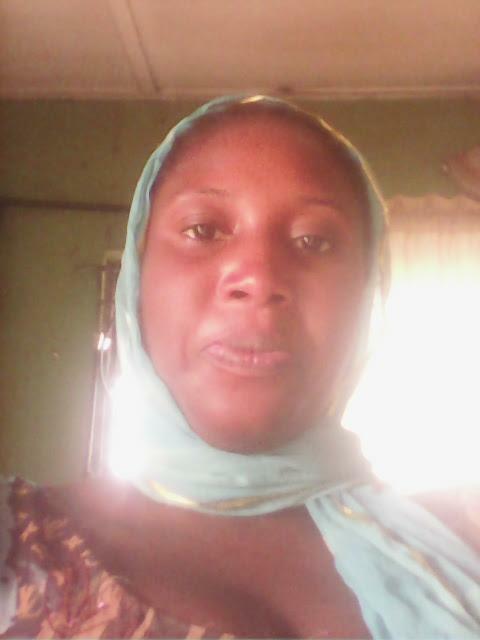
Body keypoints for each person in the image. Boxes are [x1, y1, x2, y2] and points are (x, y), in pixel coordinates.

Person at [1, 96, 479, 639]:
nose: (258, 276)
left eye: (314, 240)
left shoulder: (460, 547)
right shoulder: (19, 547)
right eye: (203, 229)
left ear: (367, 293)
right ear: (138, 279)